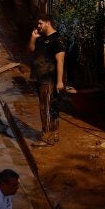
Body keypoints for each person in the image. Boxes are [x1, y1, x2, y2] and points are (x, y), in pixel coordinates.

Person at [28, 13, 65, 145]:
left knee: (46, 107)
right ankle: (53, 133)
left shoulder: (56, 40)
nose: (38, 26)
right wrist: (33, 38)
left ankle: (46, 135)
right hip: (39, 77)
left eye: (40, 23)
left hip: (49, 78)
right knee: (48, 106)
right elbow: (31, 49)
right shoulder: (41, 37)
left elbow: (60, 61)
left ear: (48, 23)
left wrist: (60, 81)